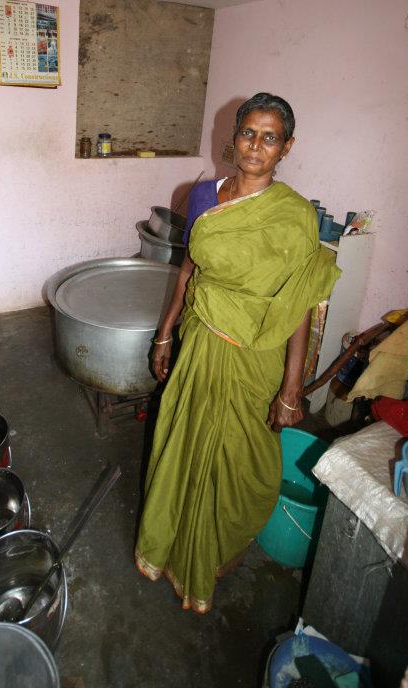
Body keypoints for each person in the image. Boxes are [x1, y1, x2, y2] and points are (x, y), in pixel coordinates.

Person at [135, 92, 341, 613]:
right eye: (248, 132)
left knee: (243, 459)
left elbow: (294, 306)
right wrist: (165, 332)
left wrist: (292, 388)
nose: (255, 145)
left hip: (256, 354)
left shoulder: (295, 217)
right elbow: (189, 270)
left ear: (286, 147)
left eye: (269, 137)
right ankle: (172, 541)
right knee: (182, 441)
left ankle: (216, 549)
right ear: (233, 137)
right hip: (201, 340)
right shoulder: (202, 196)